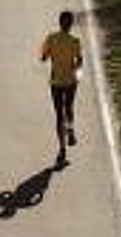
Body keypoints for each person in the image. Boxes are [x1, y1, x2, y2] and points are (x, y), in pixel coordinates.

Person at [40, 11, 82, 166]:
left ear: (59, 23)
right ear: (71, 25)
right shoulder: (75, 41)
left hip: (56, 81)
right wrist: (77, 72)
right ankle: (71, 129)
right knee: (69, 106)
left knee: (59, 114)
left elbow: (43, 58)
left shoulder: (51, 38)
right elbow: (79, 61)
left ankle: (62, 148)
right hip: (71, 80)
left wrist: (50, 55)